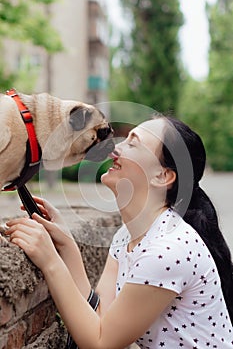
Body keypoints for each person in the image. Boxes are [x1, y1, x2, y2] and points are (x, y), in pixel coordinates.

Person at [5, 115, 233, 349]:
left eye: (133, 143)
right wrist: (66, 245)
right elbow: (101, 312)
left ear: (162, 176)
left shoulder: (167, 250)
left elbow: (100, 343)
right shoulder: (128, 234)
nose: (117, 146)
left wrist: (50, 261)